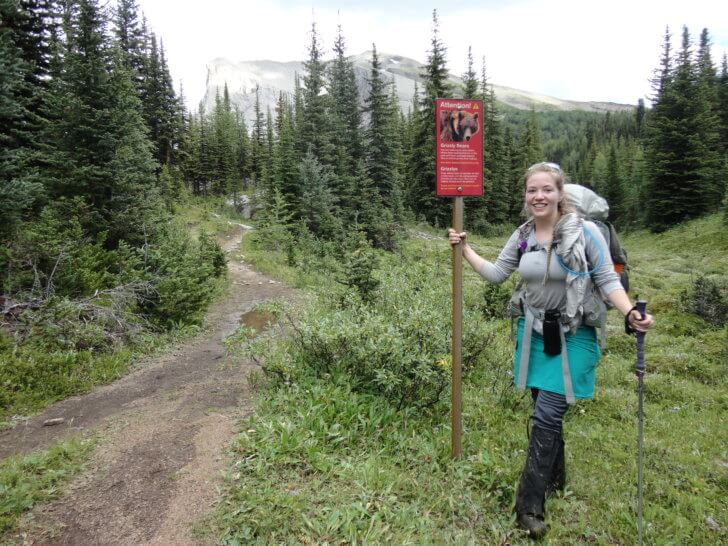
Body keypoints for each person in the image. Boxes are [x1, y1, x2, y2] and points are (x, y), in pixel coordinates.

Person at [447, 162, 654, 539]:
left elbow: (607, 279)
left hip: (575, 333)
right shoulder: (523, 235)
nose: (538, 196)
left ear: (560, 194)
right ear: (525, 196)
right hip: (535, 333)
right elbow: (497, 274)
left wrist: (630, 312)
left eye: (546, 189)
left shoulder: (585, 232)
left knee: (547, 411)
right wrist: (465, 250)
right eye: (531, 191)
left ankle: (529, 504)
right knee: (542, 404)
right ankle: (557, 476)